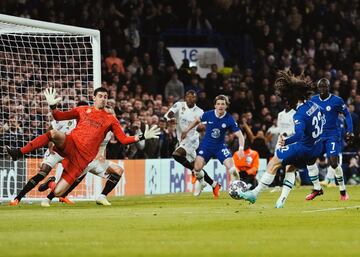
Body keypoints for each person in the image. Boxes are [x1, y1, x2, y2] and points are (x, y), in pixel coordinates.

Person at [6, 87, 160, 201]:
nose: (103, 99)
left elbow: (123, 139)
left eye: (105, 97)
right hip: (71, 143)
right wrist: (53, 106)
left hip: (82, 160)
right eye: (100, 96)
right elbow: (59, 116)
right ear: (94, 97)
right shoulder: (82, 110)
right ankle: (18, 153)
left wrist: (141, 137)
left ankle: (51, 184)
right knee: (53, 134)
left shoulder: (111, 119)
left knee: (59, 193)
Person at [238, 71, 325, 207]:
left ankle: (254, 194)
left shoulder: (299, 115)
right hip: (316, 148)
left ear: (294, 97)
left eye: (288, 99)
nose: (287, 102)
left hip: (303, 148)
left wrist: (286, 141)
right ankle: (281, 200)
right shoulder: (315, 105)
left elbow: (299, 135)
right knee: (290, 167)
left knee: (274, 162)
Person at [9, 101, 88, 206]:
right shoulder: (66, 119)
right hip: (56, 150)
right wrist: (50, 143)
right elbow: (50, 130)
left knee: (77, 174)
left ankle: (58, 192)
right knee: (42, 173)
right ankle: (17, 198)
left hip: (70, 155)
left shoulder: (87, 126)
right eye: (80, 109)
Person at [181, 95, 245, 196]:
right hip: (206, 146)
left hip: (220, 147)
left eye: (223, 104)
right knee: (196, 169)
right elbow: (197, 120)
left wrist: (241, 149)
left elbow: (240, 136)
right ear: (215, 105)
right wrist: (186, 130)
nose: (220, 106)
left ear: (226, 106)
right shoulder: (208, 114)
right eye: (218, 104)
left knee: (232, 169)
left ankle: (236, 189)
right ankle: (201, 183)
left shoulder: (229, 119)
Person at [40, 130, 123, 207]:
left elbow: (103, 146)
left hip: (96, 162)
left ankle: (102, 197)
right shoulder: (93, 129)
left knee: (118, 170)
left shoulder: (109, 132)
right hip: (84, 160)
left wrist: (103, 156)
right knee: (64, 188)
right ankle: (48, 198)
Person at [164, 90, 220, 197]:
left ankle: (194, 172)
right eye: (188, 97)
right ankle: (214, 184)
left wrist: (200, 126)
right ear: (185, 97)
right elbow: (169, 114)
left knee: (176, 155)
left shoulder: (200, 111)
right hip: (181, 140)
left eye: (193, 97)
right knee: (197, 166)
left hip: (192, 139)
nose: (190, 99)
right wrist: (169, 119)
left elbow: (203, 127)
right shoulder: (179, 105)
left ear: (196, 99)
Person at [306, 78, 353, 200]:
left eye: (325, 87)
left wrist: (350, 130)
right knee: (309, 160)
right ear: (318, 88)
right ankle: (317, 189)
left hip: (333, 134)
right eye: (320, 87)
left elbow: (347, 114)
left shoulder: (336, 100)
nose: (323, 89)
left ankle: (343, 191)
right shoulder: (313, 100)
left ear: (329, 87)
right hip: (318, 135)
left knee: (333, 163)